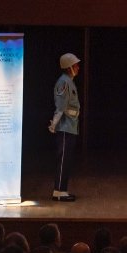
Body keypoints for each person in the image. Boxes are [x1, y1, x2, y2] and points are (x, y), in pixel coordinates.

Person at [48, 53, 81, 202]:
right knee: (63, 160)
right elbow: (61, 107)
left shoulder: (69, 82)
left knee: (66, 160)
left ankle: (62, 190)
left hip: (70, 126)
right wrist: (54, 124)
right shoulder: (63, 82)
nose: (78, 67)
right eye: (75, 65)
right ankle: (59, 191)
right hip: (64, 127)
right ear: (69, 67)